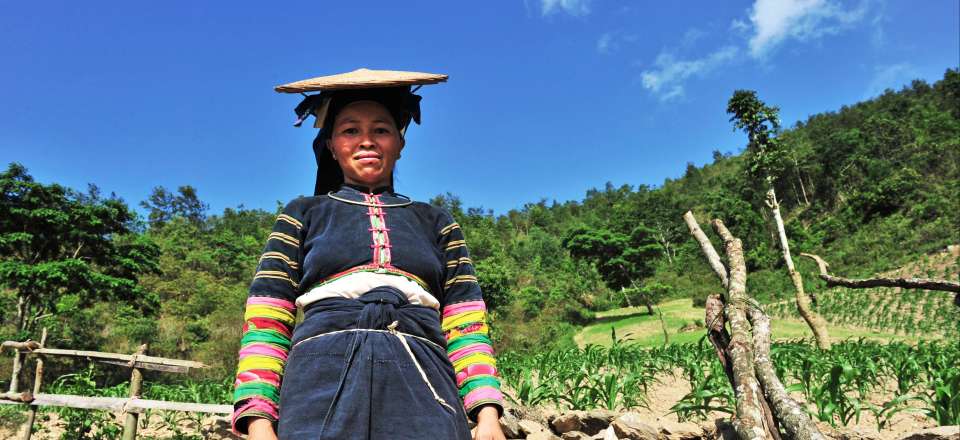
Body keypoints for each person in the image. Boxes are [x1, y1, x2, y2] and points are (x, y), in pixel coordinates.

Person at [231, 69, 506, 440]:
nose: (366, 141)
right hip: (318, 380)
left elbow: (466, 323)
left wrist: (486, 414)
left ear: (400, 142)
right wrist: (258, 418)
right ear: (331, 144)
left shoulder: (435, 221)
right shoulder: (303, 214)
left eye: (380, 129)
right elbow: (267, 317)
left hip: (424, 379)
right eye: (350, 130)